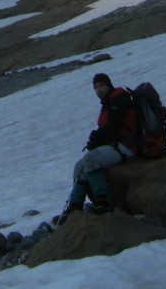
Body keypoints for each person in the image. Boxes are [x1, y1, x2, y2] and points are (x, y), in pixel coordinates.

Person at [59, 73, 140, 221]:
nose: (99, 90)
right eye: (96, 87)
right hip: (117, 145)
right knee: (80, 166)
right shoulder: (109, 102)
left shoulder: (119, 100)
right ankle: (75, 206)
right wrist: (97, 139)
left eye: (101, 85)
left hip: (129, 146)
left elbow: (113, 129)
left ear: (108, 85)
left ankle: (103, 202)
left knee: (89, 160)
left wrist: (96, 139)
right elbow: (109, 130)